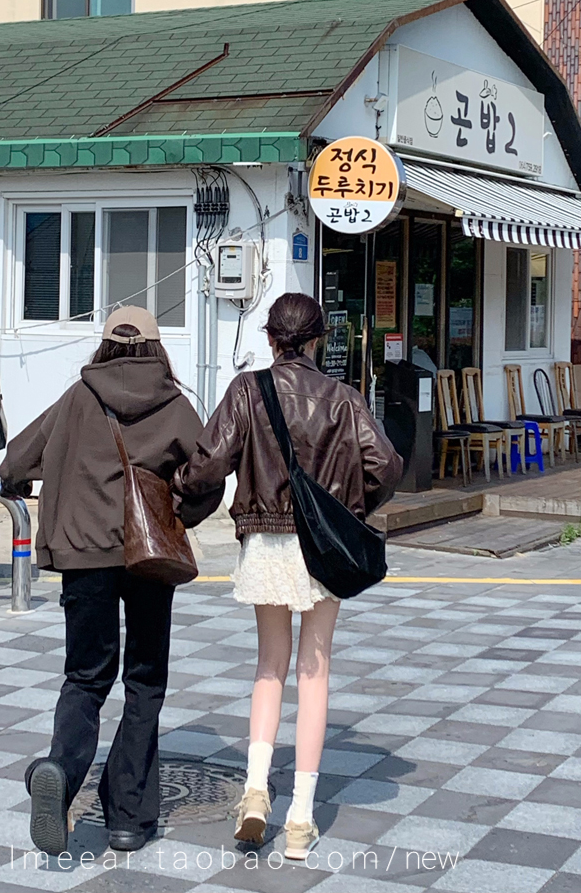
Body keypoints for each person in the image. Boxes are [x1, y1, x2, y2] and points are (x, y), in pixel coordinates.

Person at [173, 293, 402, 861]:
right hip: (323, 545)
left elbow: (209, 462)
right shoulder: (344, 398)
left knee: (269, 665)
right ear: (318, 339)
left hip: (266, 540)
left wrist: (176, 491)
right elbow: (386, 466)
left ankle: (255, 791)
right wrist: (348, 510)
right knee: (314, 670)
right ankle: (300, 817)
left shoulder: (247, 390)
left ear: (271, 338)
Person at [0, 306, 223, 857]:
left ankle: (60, 770)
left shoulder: (79, 397)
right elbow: (208, 475)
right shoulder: (174, 405)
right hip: (149, 555)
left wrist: (13, 483)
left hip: (83, 555)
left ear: (104, 346)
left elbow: (18, 458)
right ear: (156, 347)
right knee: (144, 680)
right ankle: (127, 817)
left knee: (85, 676)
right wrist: (182, 514)